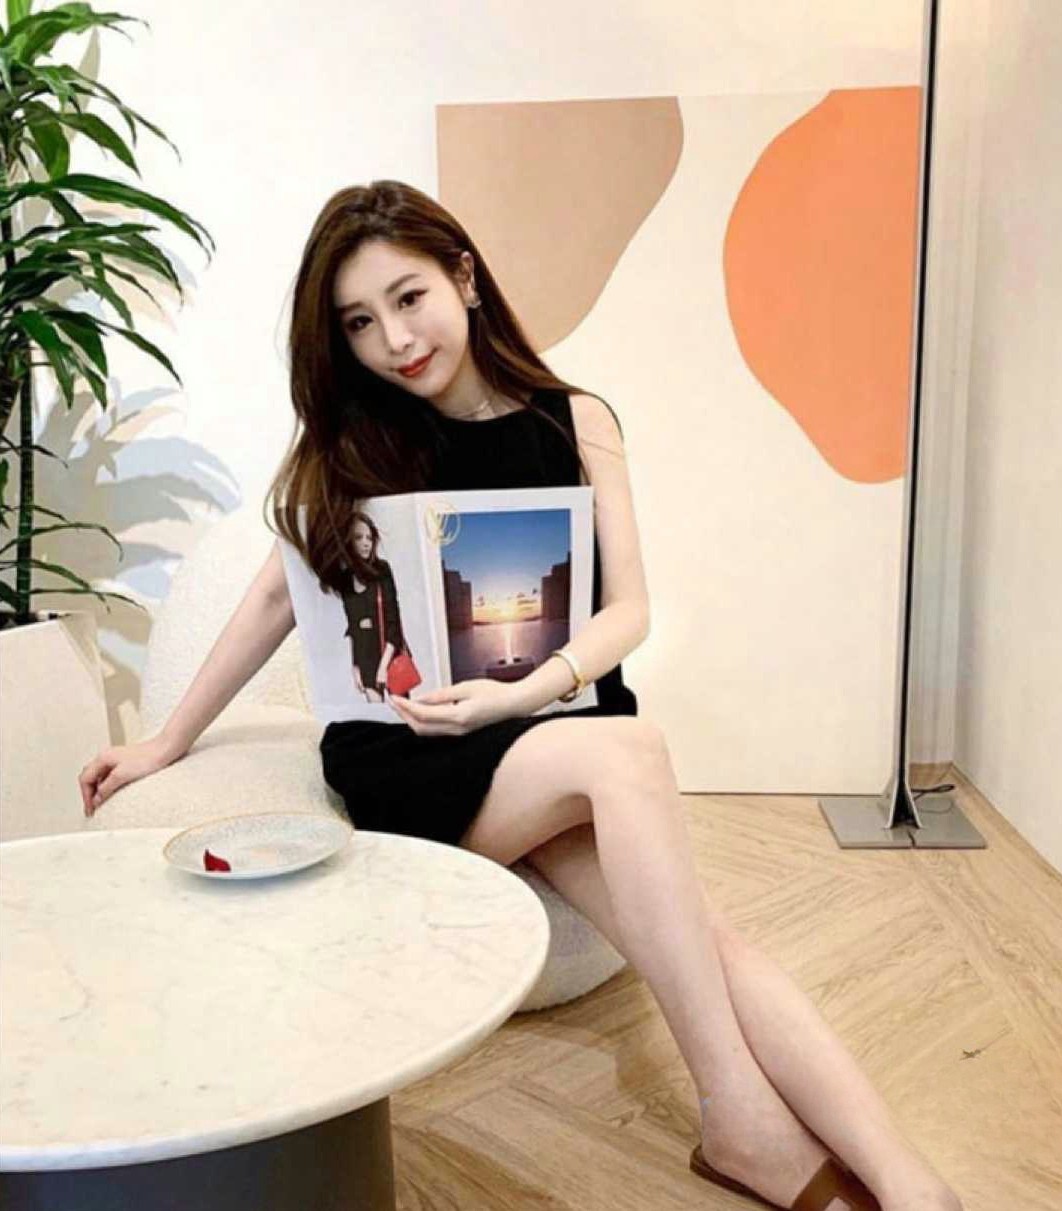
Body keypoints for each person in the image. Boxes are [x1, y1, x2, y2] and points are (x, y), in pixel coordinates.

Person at [79, 181, 961, 1211]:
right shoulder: (356, 444)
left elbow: (629, 609)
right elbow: (279, 594)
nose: (394, 341)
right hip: (414, 756)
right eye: (358, 322)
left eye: (409, 298)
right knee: (631, 758)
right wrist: (166, 738)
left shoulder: (575, 419)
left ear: (463, 276)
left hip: (548, 725)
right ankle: (737, 1113)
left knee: (708, 936)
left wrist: (523, 695)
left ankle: (910, 1183)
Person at [336, 511, 408, 702]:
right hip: (365, 659)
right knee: (376, 716)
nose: (366, 543)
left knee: (402, 714)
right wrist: (355, 667)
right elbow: (353, 627)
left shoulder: (382, 570)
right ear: (348, 541)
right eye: (359, 537)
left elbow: (393, 621)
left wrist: (384, 667)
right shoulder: (345, 579)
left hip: (389, 655)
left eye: (369, 537)